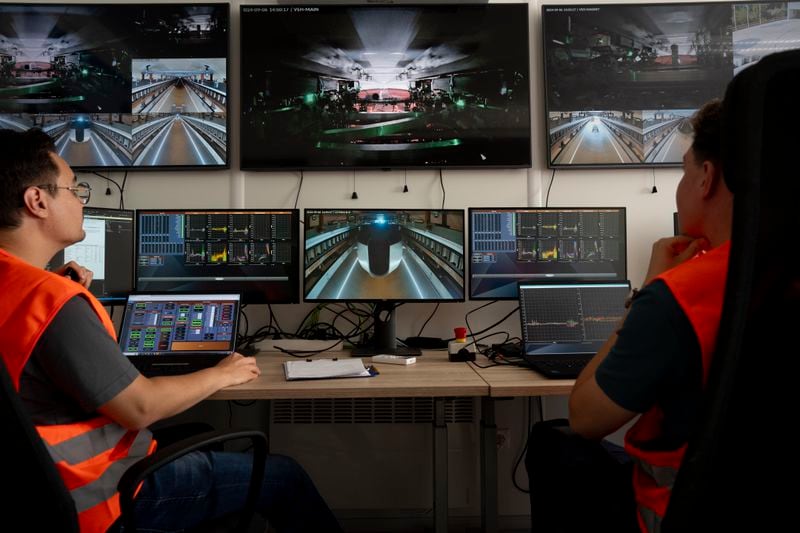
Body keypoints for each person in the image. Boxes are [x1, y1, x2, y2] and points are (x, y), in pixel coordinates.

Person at [0, 128, 342, 533]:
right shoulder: (54, 303)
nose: (80, 200)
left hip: (37, 493)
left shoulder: (28, 290)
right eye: (74, 189)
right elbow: (140, 407)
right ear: (37, 201)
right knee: (284, 476)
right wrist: (223, 372)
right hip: (107, 494)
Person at [525, 99, 733, 533]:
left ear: (706, 179)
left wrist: (647, 293)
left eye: (682, 170)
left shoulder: (679, 295)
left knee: (554, 440)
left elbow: (587, 418)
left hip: (672, 512)